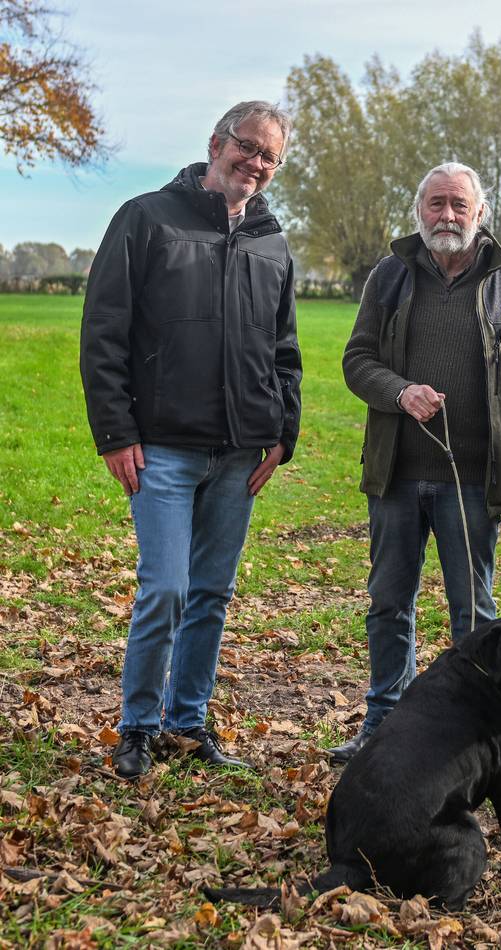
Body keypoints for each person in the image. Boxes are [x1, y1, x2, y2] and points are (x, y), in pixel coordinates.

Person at [80, 101, 303, 780]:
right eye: (247, 147)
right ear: (216, 143)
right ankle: (138, 728)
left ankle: (187, 723)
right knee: (167, 589)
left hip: (241, 454)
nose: (255, 164)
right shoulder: (147, 219)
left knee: (211, 592)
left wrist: (281, 434)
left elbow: (284, 349)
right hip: (163, 449)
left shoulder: (272, 241)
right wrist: (116, 431)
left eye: (270, 157)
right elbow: (104, 331)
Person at [337, 162, 501, 763]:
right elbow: (357, 359)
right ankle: (384, 721)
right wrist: (398, 391)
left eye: (458, 206)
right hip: (396, 476)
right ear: (419, 211)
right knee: (389, 604)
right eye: (436, 204)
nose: (447, 216)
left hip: (473, 481)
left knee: (476, 615)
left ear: (480, 212)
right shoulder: (390, 274)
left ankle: (473, 732)